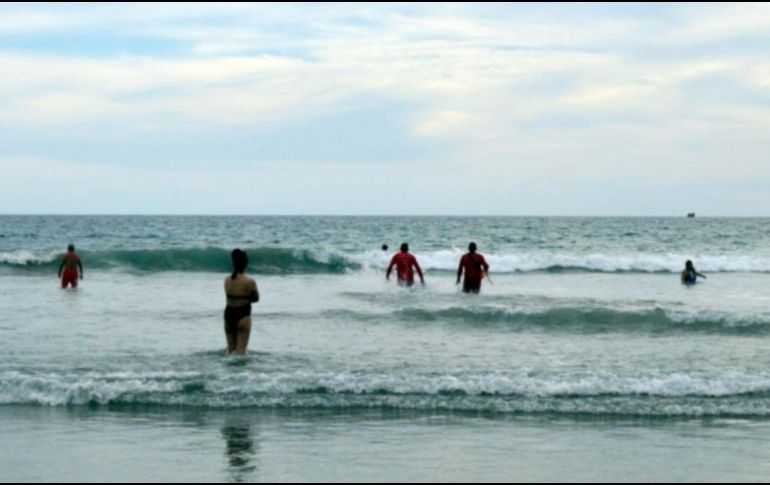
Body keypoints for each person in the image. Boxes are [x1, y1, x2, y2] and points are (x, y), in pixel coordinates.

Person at [224, 249, 259, 355]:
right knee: (241, 353)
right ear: (245, 264)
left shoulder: (227, 280)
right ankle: (241, 372)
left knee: (231, 352)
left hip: (228, 314)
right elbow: (256, 299)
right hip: (243, 314)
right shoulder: (250, 282)